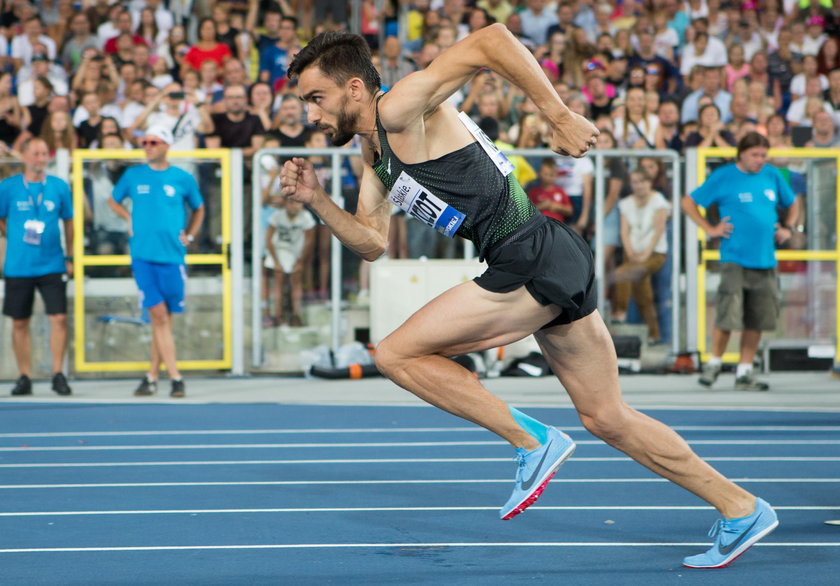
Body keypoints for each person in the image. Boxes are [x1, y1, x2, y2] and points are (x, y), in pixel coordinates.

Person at [281, 27, 778, 569]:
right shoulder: (373, 155)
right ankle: (740, 507)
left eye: (315, 98)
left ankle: (531, 441)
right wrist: (316, 199)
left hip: (528, 254)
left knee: (396, 354)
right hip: (547, 254)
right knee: (607, 417)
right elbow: (372, 242)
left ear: (354, 88)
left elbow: (491, 41)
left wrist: (556, 113)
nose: (310, 114)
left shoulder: (401, 105)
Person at [681, 132, 799, 392]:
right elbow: (688, 202)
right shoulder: (724, 176)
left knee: (757, 318)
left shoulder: (771, 175)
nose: (760, 160)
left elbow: (792, 203)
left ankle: (745, 372)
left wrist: (788, 227)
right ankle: (714, 363)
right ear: (742, 154)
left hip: (766, 259)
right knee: (727, 314)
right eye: (755, 155)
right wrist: (710, 229)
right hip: (735, 258)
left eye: (763, 155)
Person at [108, 125, 204, 398]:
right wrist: (128, 219)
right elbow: (113, 201)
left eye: (153, 142)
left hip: (173, 257)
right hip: (143, 257)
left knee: (163, 322)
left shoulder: (182, 178)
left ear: (166, 145)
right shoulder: (133, 174)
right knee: (159, 317)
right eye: (145, 142)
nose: (147, 146)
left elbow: (199, 208)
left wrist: (192, 234)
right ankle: (176, 377)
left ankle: (151, 376)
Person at [0, 136, 73, 396]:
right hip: (18, 266)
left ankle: (58, 373)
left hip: (52, 262)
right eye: (36, 154)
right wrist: (13, 237)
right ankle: (24, 375)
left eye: (45, 154)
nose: (41, 159)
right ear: (24, 155)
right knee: (20, 322)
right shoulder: (8, 187)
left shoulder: (59, 186)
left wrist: (70, 257)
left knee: (59, 318)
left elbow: (69, 221)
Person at [611, 169, 670, 344]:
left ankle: (620, 312)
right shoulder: (626, 203)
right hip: (634, 254)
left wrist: (645, 253)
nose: (639, 186)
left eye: (642, 181)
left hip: (655, 253)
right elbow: (624, 231)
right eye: (635, 182)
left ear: (649, 183)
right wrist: (630, 253)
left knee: (622, 273)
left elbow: (659, 229)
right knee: (644, 296)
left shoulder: (658, 200)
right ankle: (654, 334)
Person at [264, 196, 315, 327]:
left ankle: (296, 315)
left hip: (296, 253)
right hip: (279, 251)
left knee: (296, 282)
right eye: (292, 202)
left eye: (299, 202)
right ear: (286, 203)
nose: (295, 206)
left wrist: (300, 261)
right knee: (278, 282)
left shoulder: (306, 217)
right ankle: (278, 315)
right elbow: (269, 240)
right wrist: (276, 262)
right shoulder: (277, 216)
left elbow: (309, 241)